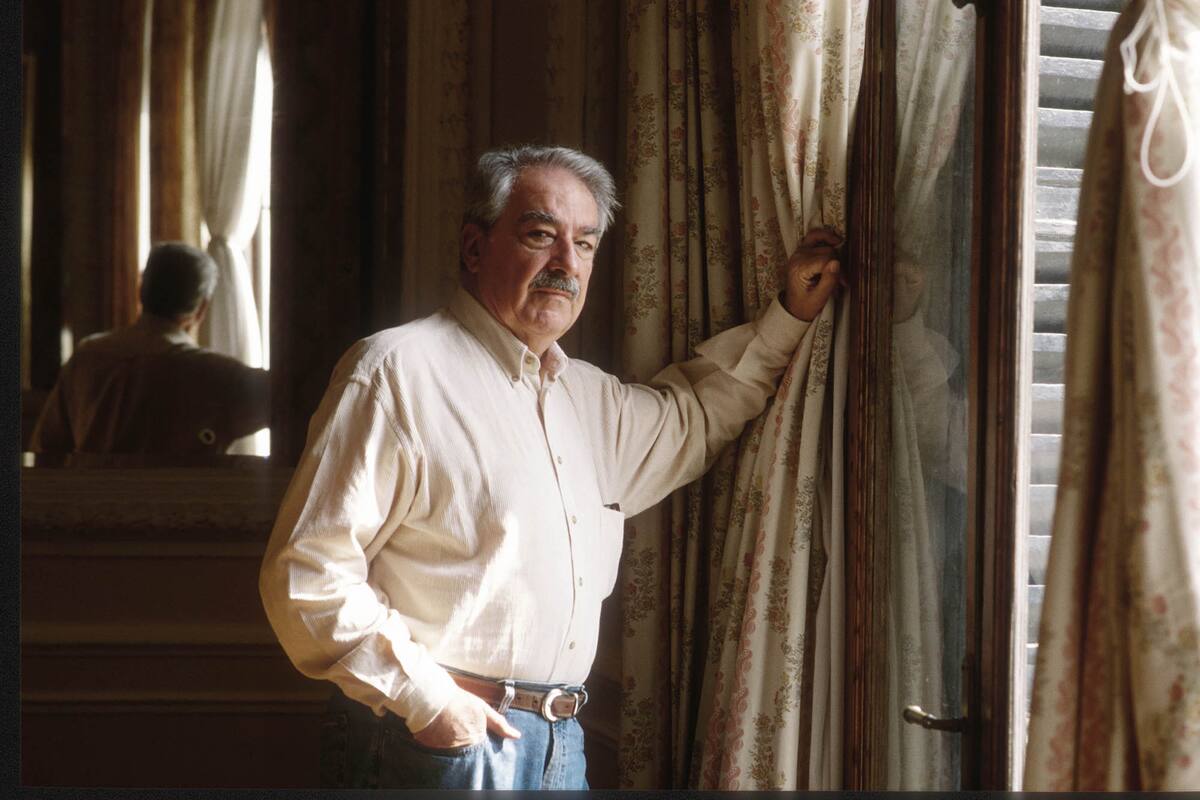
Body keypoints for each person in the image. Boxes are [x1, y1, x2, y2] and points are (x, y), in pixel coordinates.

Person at [259, 145, 843, 790]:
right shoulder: (395, 372)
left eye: (586, 245)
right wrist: (428, 704)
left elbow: (699, 414)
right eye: (541, 236)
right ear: (475, 248)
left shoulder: (587, 397)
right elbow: (309, 572)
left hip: (562, 747)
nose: (566, 264)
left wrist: (790, 314)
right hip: (435, 743)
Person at [30, 242, 269, 459]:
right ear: (201, 308)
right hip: (182, 505)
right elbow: (288, 399)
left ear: (140, 291)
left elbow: (48, 446)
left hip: (91, 503)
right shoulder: (217, 374)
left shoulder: (87, 356)